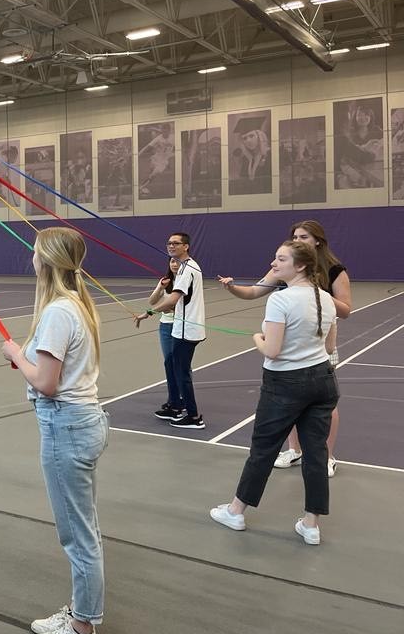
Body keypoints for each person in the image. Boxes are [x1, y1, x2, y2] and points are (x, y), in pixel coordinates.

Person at [0, 227, 108, 634]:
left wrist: (15, 355)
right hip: (79, 422)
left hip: (67, 425)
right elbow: (50, 370)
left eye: (35, 253)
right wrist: (26, 358)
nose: (32, 259)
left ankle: (82, 628)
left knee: (78, 535)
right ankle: (81, 612)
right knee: (84, 528)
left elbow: (46, 381)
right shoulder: (74, 305)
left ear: (45, 260)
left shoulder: (59, 311)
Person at [209, 241, 338, 546]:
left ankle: (236, 511)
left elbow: (273, 350)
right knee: (316, 454)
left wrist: (257, 337)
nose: (274, 262)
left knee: (263, 449)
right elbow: (330, 348)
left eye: (281, 259)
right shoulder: (327, 299)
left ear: (301, 266)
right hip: (323, 381)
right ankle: (311, 525)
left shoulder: (280, 301)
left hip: (285, 385)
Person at [218, 219, 351, 477]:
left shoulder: (335, 270)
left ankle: (327, 456)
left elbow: (345, 310)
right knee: (290, 402)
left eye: (303, 237)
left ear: (317, 242)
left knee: (325, 405)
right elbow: (255, 291)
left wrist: (312, 291)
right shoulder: (284, 270)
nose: (298, 241)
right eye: (295, 236)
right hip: (287, 345)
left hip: (319, 345)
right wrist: (232, 287)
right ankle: (294, 451)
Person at [133, 233, 207, 429]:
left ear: (186, 246)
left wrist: (148, 312)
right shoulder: (184, 267)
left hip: (186, 329)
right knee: (174, 366)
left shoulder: (188, 269)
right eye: (169, 243)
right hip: (181, 328)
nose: (171, 246)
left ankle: (193, 416)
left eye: (176, 243)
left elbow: (173, 299)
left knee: (182, 372)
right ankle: (176, 405)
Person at [136, 258, 180, 418]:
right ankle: (173, 401)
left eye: (177, 261)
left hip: (181, 327)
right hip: (166, 327)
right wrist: (160, 288)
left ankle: (180, 401)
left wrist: (170, 309)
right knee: (169, 362)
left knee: (179, 365)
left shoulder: (187, 280)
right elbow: (152, 301)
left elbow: (177, 304)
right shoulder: (165, 281)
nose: (174, 264)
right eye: (171, 262)